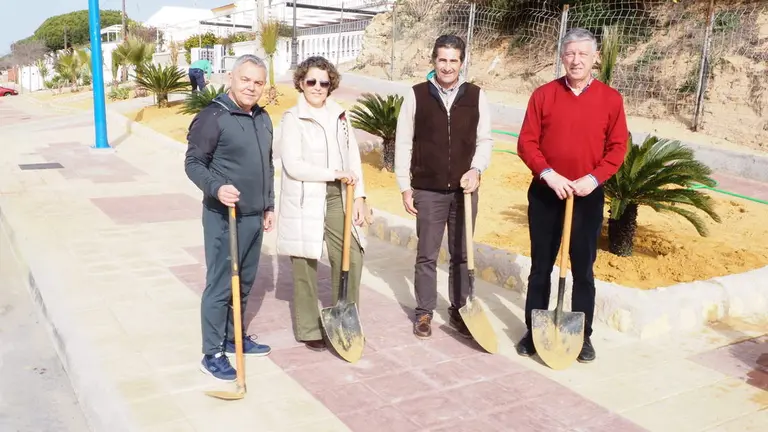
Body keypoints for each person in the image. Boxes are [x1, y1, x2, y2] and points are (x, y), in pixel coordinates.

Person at [516, 28, 629, 363]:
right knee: (540, 267)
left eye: (583, 54)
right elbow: (527, 142)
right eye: (570, 53)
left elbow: (618, 147)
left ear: (596, 58)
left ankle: (583, 334)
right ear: (562, 57)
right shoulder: (543, 95)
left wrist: (594, 179)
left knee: (583, 270)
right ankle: (533, 331)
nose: (576, 60)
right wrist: (548, 174)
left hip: (587, 197)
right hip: (546, 195)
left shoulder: (611, 99)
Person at [393, 35, 494, 340]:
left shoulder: (476, 96)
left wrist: (476, 169)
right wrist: (404, 186)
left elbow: (485, 140)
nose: (447, 66)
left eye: (453, 60)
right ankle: (424, 311)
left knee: (462, 254)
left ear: (462, 63)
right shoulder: (417, 95)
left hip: (464, 190)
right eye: (442, 60)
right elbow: (403, 142)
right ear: (433, 61)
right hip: (428, 189)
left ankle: (460, 309)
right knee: (426, 253)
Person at [185, 54, 275, 381]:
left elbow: (267, 166)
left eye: (258, 82)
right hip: (224, 215)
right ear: (231, 79)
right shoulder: (213, 117)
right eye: (245, 80)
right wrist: (217, 187)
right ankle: (212, 353)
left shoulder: (263, 118)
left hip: (253, 215)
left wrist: (269, 204)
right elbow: (194, 163)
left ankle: (233, 336)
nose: (251, 87)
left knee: (245, 283)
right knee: (222, 284)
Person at [276, 56, 370, 352]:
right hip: (305, 196)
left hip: (340, 194)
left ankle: (344, 316)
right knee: (304, 261)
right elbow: (293, 165)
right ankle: (309, 328)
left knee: (351, 256)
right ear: (301, 83)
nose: (317, 87)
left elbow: (353, 156)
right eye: (311, 81)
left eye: (324, 82)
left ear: (332, 85)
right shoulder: (292, 118)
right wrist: (333, 174)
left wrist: (361, 197)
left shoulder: (341, 115)